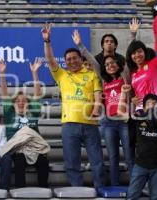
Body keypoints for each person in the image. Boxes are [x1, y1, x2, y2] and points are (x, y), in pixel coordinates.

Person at [42, 23, 105, 188]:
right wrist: (47, 42)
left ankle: (99, 188)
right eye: (68, 59)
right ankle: (77, 190)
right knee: (71, 162)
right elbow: (49, 59)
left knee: (97, 161)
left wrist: (97, 107)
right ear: (66, 62)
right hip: (69, 124)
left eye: (75, 58)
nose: (72, 61)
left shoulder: (91, 74)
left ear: (81, 59)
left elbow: (98, 94)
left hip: (90, 124)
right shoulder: (61, 75)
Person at [72, 29, 134, 186]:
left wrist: (132, 36)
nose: (110, 65)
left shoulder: (124, 76)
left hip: (124, 122)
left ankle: (135, 185)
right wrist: (80, 45)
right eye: (107, 64)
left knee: (129, 155)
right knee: (112, 156)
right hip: (108, 123)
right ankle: (114, 185)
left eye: (113, 63)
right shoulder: (103, 80)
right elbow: (93, 61)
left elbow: (128, 58)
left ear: (117, 64)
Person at [0, 58, 49, 188]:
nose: (21, 102)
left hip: (34, 147)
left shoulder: (32, 113)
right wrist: (2, 74)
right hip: (18, 149)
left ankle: (43, 189)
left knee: (43, 161)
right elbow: (4, 92)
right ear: (13, 103)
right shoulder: (10, 114)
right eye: (18, 100)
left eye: (24, 100)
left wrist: (35, 73)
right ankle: (21, 191)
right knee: (19, 159)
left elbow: (38, 94)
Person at [118, 92, 157, 200]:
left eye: (155, 104)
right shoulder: (138, 119)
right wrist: (123, 94)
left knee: (155, 197)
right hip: (140, 165)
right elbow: (120, 112)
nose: (152, 106)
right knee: (131, 196)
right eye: (149, 104)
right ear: (144, 108)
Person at [126, 17, 157, 110]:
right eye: (133, 53)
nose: (137, 55)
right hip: (140, 111)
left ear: (145, 52)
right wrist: (132, 98)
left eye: (139, 51)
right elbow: (133, 92)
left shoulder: (154, 63)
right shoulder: (133, 73)